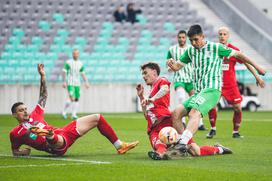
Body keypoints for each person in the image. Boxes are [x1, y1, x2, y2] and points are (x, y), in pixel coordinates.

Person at [167, 24, 266, 153]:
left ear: (203, 36)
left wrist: (258, 68)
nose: (193, 43)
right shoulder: (190, 51)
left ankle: (183, 142)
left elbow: (239, 55)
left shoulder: (216, 47)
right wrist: (171, 64)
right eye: (191, 40)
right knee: (175, 114)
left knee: (194, 113)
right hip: (198, 92)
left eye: (196, 39)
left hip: (212, 90)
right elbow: (177, 67)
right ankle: (188, 144)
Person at [10, 64, 139, 156]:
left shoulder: (35, 114)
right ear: (15, 115)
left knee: (97, 118)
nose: (26, 111)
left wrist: (42, 77)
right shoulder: (15, 133)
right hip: (56, 146)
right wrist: (22, 153)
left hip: (64, 131)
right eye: (21, 110)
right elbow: (15, 151)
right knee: (51, 136)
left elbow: (43, 96)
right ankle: (50, 136)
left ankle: (119, 146)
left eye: (26, 108)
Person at [136, 62, 232, 160]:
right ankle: (160, 154)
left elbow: (165, 89)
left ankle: (219, 149)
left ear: (154, 72)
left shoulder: (161, 80)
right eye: (142, 74)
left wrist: (153, 98)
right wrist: (141, 97)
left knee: (196, 152)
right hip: (154, 130)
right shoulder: (149, 93)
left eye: (145, 73)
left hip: (168, 124)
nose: (143, 76)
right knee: (160, 146)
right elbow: (146, 116)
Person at [206, 27, 265, 139]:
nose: (222, 36)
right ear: (218, 36)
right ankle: (213, 129)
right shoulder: (214, 49)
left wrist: (257, 76)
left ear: (228, 36)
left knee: (238, 108)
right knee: (212, 105)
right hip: (216, 83)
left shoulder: (234, 50)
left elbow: (246, 63)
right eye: (220, 34)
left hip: (231, 85)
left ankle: (235, 132)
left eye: (224, 34)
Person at [167, 30, 206, 131]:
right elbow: (168, 63)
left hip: (191, 79)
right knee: (181, 97)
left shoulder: (191, 48)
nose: (181, 39)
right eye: (180, 37)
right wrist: (170, 66)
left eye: (183, 37)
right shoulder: (172, 49)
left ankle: (200, 123)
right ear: (177, 38)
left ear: (186, 38)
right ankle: (182, 121)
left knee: (196, 101)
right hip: (179, 79)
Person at [62, 49, 89, 120]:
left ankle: (74, 114)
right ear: (72, 54)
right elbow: (64, 72)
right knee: (72, 98)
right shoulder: (68, 62)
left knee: (76, 99)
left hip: (77, 84)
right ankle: (64, 112)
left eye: (77, 53)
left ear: (78, 54)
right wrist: (64, 81)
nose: (75, 55)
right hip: (70, 83)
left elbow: (83, 73)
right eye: (74, 53)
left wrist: (86, 82)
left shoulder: (80, 63)